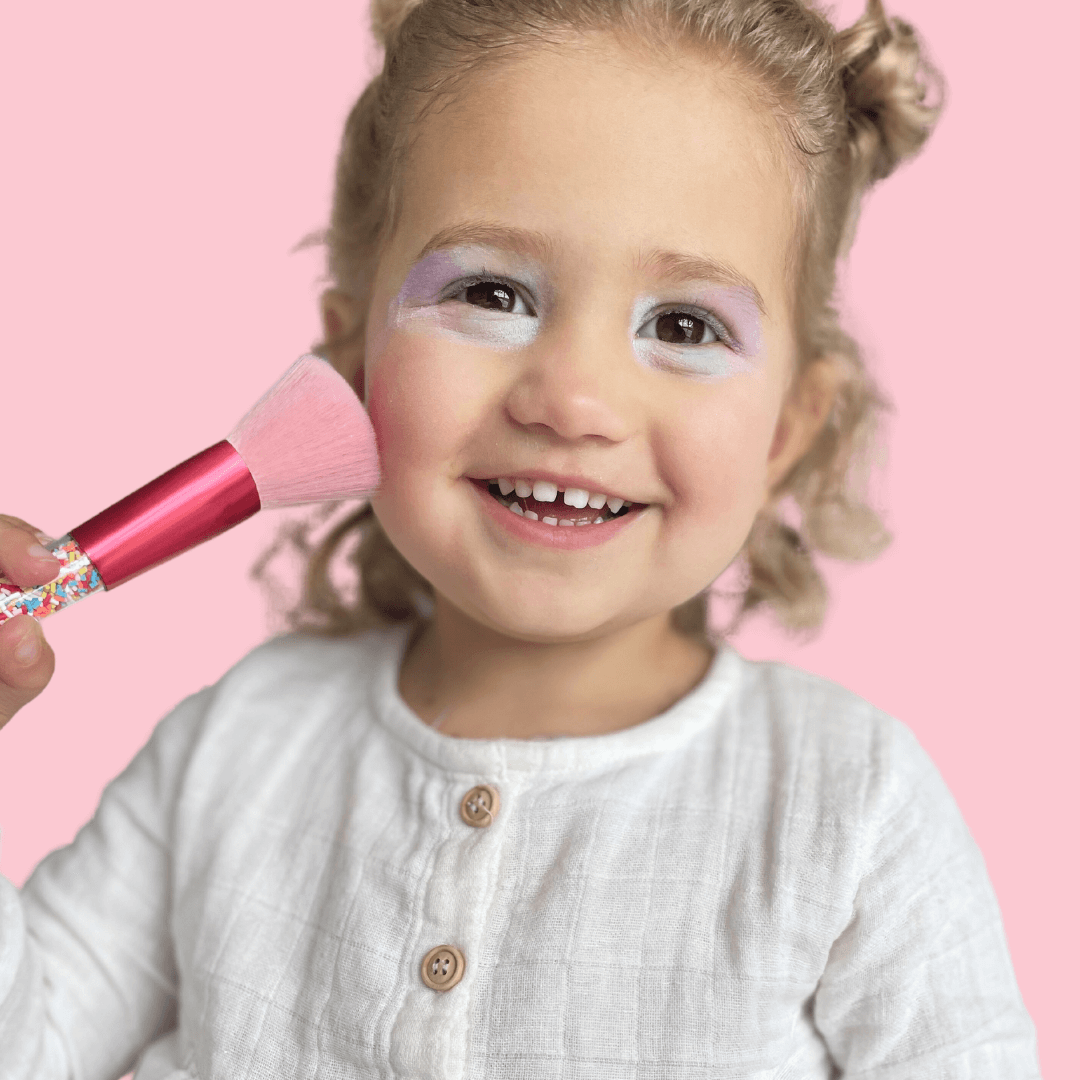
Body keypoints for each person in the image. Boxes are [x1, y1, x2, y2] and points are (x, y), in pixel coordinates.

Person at [0, 0, 1043, 1076]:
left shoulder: (845, 803)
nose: (575, 398)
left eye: (683, 326)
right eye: (492, 293)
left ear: (785, 430)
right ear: (349, 367)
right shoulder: (234, 751)